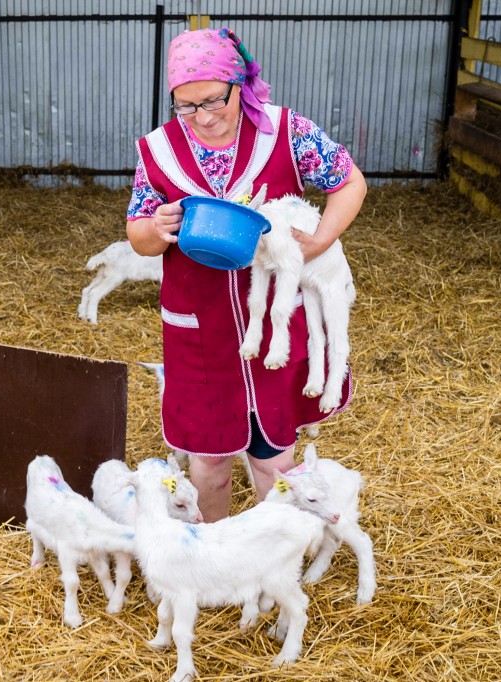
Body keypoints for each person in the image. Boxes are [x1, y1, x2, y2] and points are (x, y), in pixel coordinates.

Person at [126, 27, 367, 522]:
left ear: (241, 84)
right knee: (208, 464)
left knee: (273, 461)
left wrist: (320, 239)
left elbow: (349, 183)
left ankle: (272, 555)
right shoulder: (158, 149)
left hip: (274, 323)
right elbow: (138, 235)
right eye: (187, 106)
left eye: (215, 100)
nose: (204, 117)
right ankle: (216, 556)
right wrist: (157, 226)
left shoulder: (285, 131)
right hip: (200, 327)